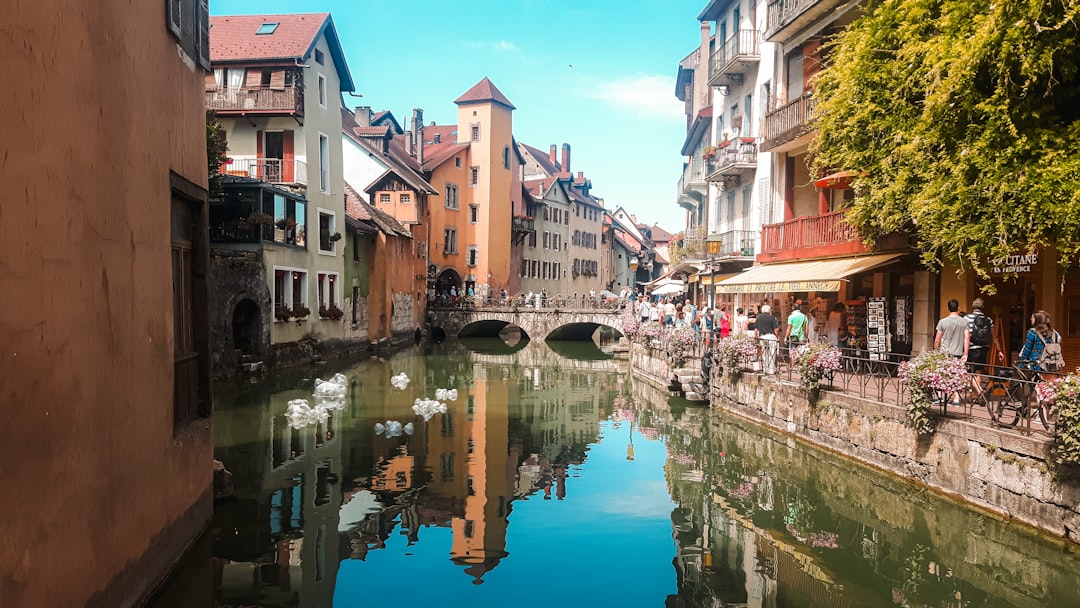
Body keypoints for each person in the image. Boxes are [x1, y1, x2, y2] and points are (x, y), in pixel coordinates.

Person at [967, 297, 1004, 373]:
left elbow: (966, 336)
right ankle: (978, 384)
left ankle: (977, 385)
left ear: (973, 306)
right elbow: (994, 336)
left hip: (971, 349)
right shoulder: (989, 320)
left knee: (970, 373)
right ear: (983, 307)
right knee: (979, 373)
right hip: (984, 349)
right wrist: (999, 350)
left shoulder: (967, 318)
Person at [756, 304, 779, 374]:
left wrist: (756, 336)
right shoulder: (772, 318)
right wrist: (777, 337)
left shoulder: (758, 318)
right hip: (770, 336)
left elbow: (756, 329)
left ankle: (765, 369)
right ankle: (771, 370)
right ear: (769, 310)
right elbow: (776, 329)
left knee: (764, 353)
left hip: (762, 337)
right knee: (772, 353)